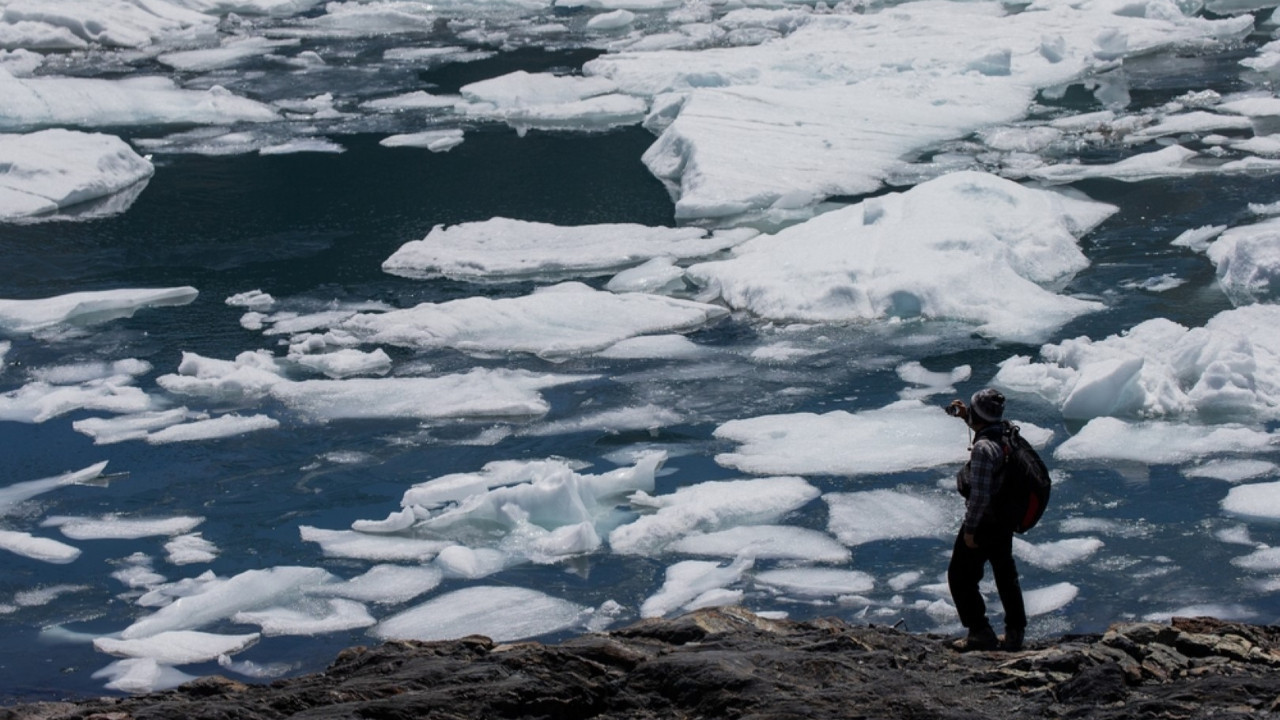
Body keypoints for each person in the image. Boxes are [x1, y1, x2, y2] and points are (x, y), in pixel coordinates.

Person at [945, 388, 1026, 652]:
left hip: (984, 524)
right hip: (1004, 519)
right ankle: (1015, 634)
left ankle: (980, 632)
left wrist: (970, 530)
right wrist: (965, 415)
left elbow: (979, 496)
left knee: (960, 577)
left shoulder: (982, 449)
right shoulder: (1005, 432)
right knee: (1005, 575)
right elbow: (984, 423)